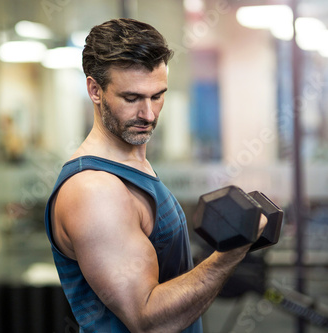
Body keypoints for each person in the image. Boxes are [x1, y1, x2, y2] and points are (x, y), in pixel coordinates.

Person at [44, 18, 267, 333]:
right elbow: (147, 321)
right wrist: (229, 255)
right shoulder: (94, 190)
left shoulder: (132, 164)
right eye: (132, 98)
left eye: (157, 95)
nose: (148, 114)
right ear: (95, 90)